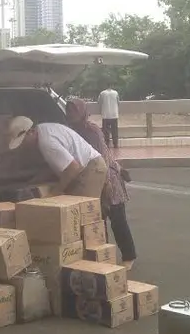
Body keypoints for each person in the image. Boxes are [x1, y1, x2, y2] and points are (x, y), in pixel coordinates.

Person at [66, 98, 137, 270]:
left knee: (117, 219)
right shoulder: (70, 131)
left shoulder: (92, 131)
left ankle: (129, 256)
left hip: (108, 178)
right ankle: (103, 256)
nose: (71, 114)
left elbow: (102, 158)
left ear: (82, 112)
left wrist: (106, 184)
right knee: (98, 221)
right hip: (91, 179)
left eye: (74, 111)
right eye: (68, 111)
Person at [7, 116, 107, 199]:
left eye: (23, 141)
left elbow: (73, 168)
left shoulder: (46, 142)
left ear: (30, 132)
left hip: (91, 168)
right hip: (87, 167)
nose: (24, 145)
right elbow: (56, 165)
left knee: (82, 214)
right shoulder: (43, 129)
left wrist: (55, 192)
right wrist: (34, 181)